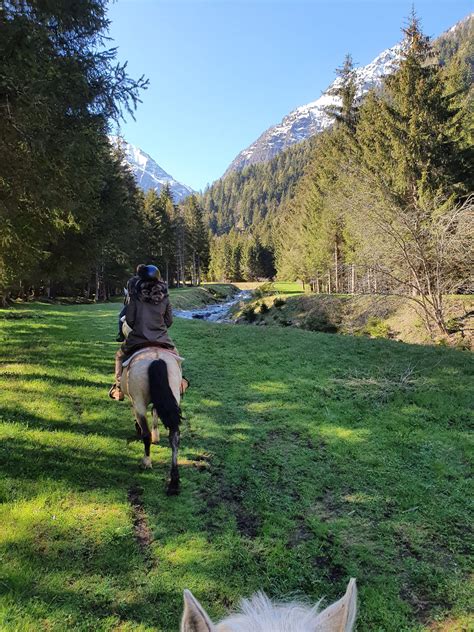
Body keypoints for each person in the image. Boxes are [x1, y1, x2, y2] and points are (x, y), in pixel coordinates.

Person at [109, 264, 177, 401]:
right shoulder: (164, 298)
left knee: (119, 356)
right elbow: (169, 322)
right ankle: (180, 384)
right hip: (162, 339)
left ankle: (118, 388)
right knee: (176, 356)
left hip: (138, 338)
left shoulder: (135, 297)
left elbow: (130, 321)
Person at [116, 263, 146, 342]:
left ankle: (121, 335)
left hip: (133, 305)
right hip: (146, 305)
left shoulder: (131, 281)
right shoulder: (148, 281)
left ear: (137, 271)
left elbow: (130, 294)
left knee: (121, 317)